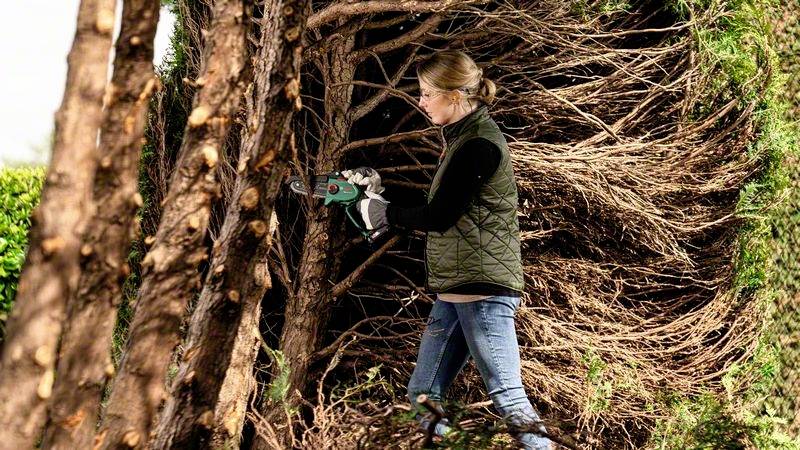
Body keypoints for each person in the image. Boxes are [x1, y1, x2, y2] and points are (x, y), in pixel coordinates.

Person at [343, 50, 552, 450]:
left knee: (507, 394)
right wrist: (378, 196)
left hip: (482, 291)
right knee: (423, 397)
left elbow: (440, 215)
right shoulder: (461, 142)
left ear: (455, 95)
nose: (420, 102)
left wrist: (384, 213)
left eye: (426, 93)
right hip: (457, 291)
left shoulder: (479, 145)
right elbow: (445, 207)